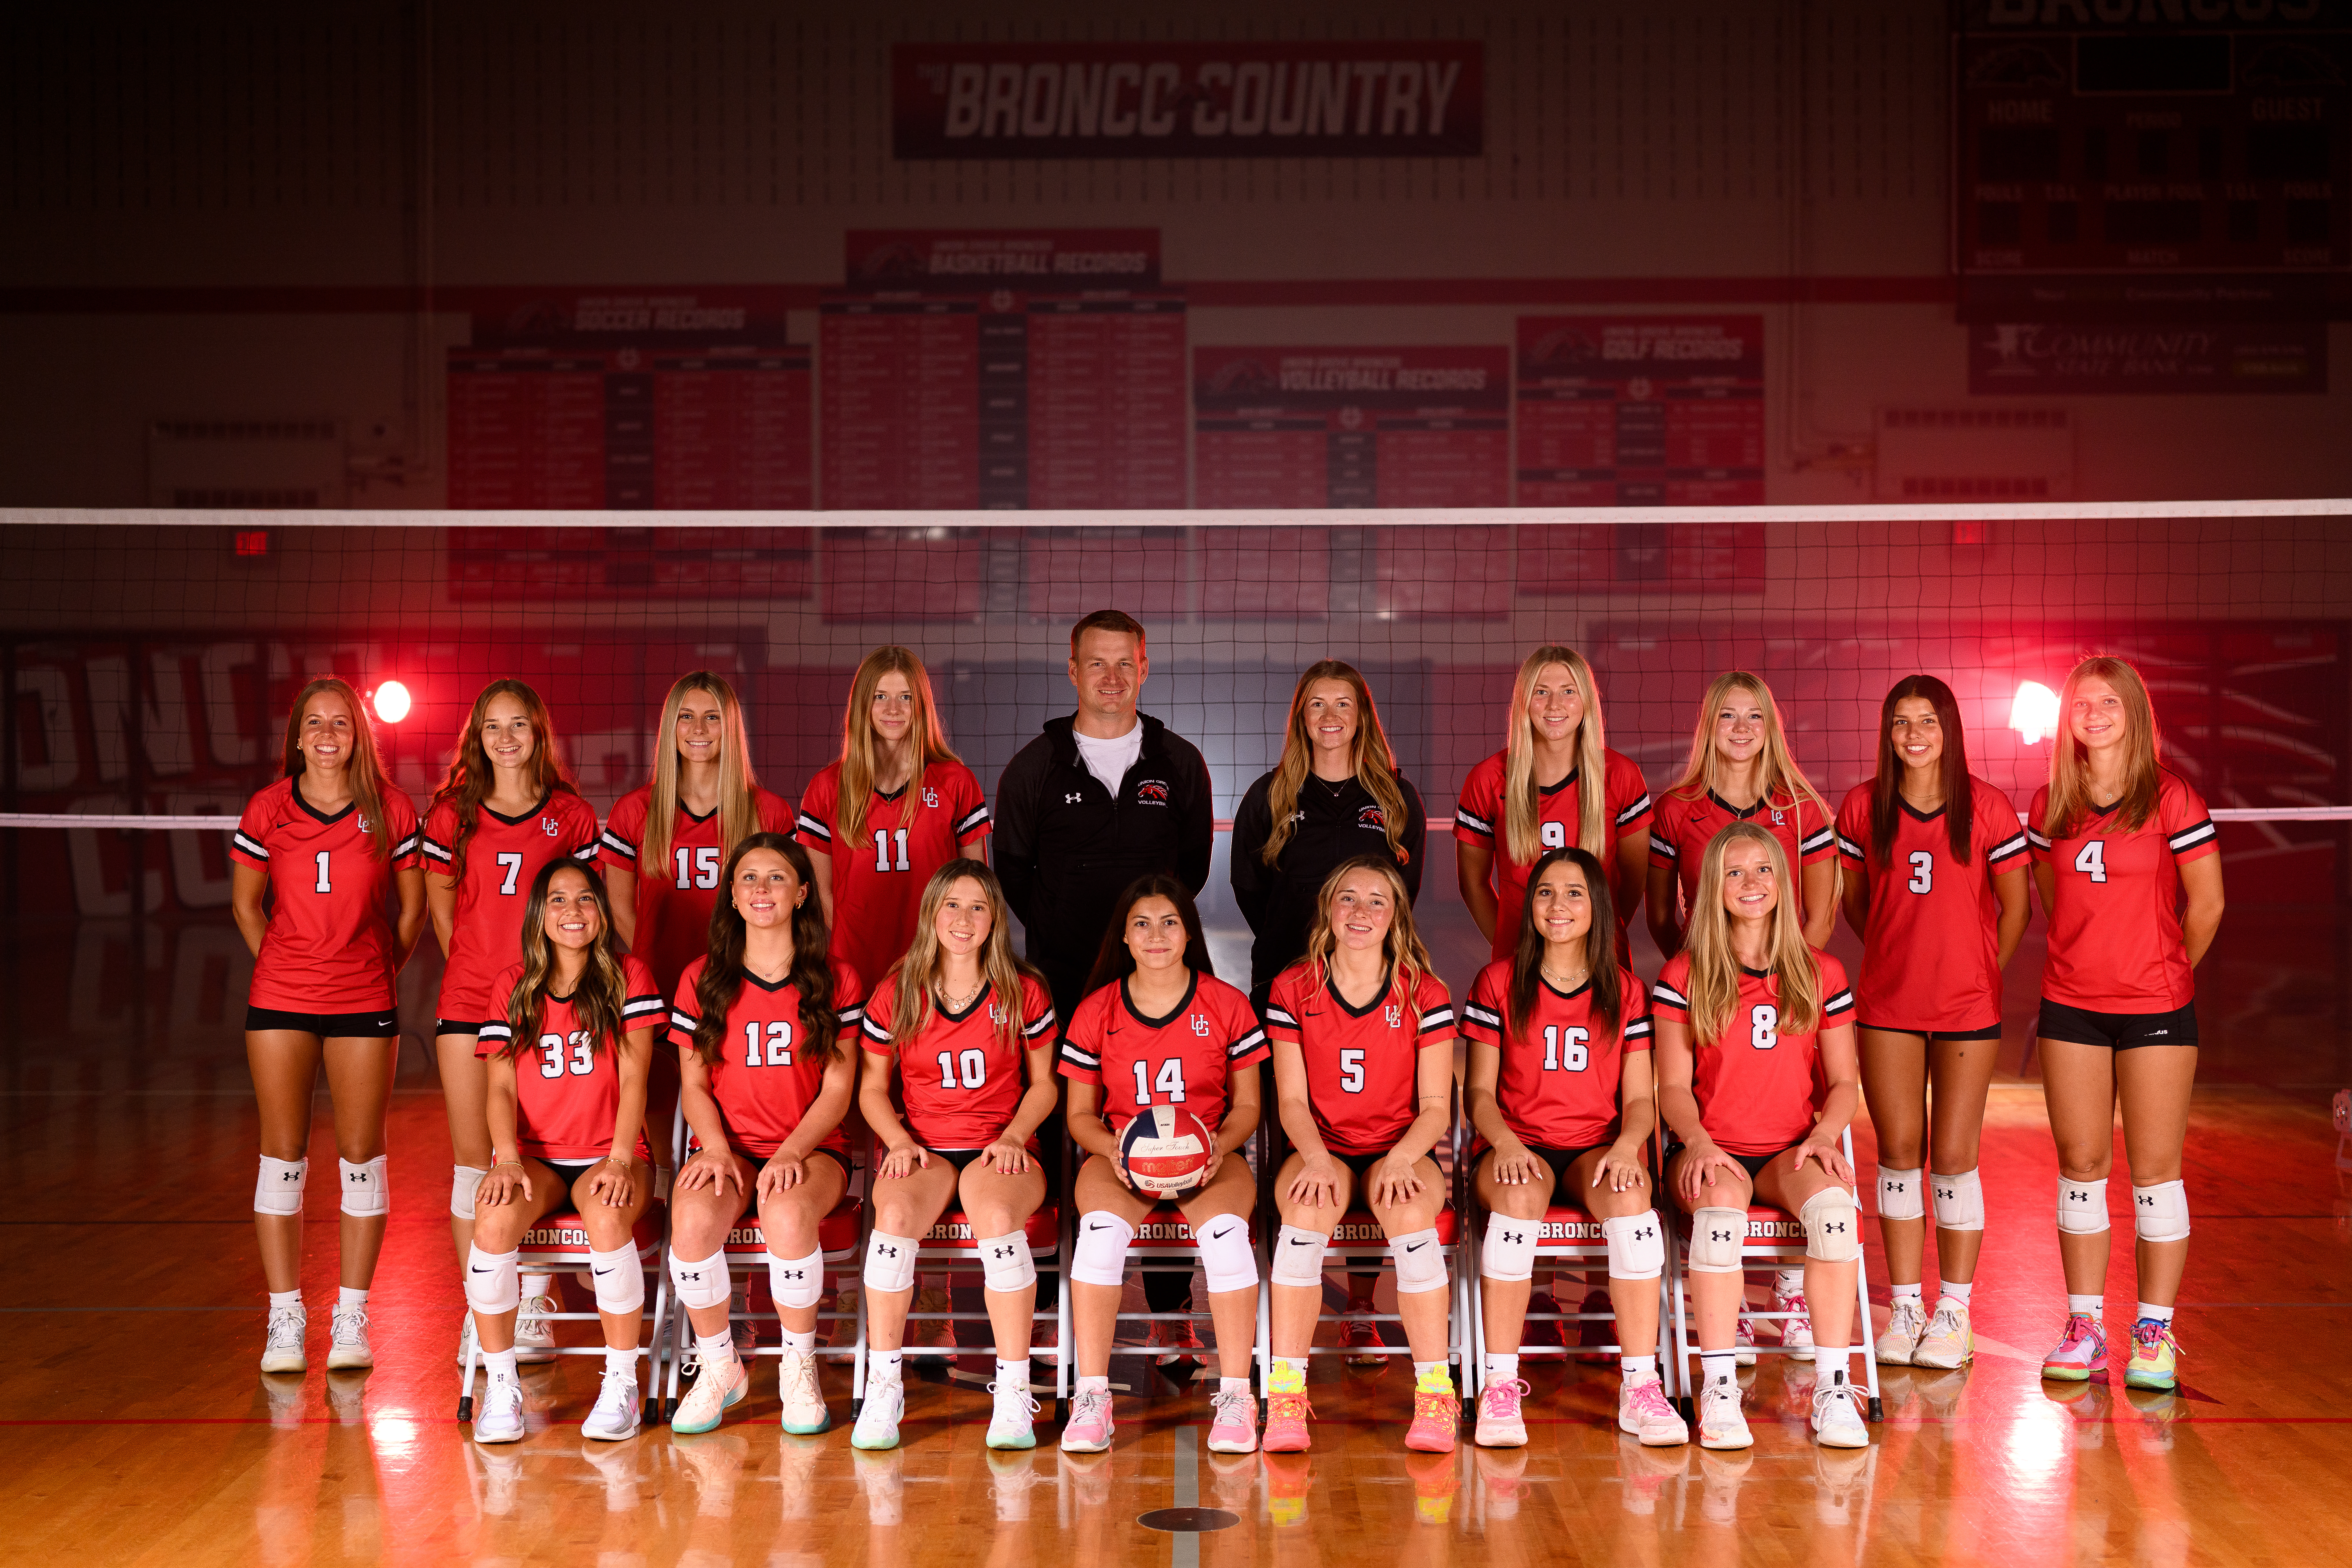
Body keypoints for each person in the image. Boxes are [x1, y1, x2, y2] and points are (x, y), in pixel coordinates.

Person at [995, 610, 1213, 1347]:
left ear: (1145, 668)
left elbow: (1193, 873)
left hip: (1164, 976)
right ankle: (1058, 1305)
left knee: (1172, 1115)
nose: (1112, 678)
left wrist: (1149, 947)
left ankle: (1170, 1310)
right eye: (1098, 664)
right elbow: (1013, 873)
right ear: (1072, 669)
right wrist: (1066, 938)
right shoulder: (1035, 767)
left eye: (1126, 664)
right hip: (1064, 978)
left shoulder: (1178, 762)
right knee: (1069, 1125)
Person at [2026, 656, 2222, 1393]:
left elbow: (2206, 906)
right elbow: (2056, 899)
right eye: (2083, 703)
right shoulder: (2053, 800)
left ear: (2134, 713)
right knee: (2079, 1168)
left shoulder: (2171, 797)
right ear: (2067, 717)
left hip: (2156, 1009)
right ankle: (2083, 1327)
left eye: (2109, 702)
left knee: (2154, 1176)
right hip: (2071, 1006)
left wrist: (2163, 969)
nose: (2095, 713)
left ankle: (2154, 1331)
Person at [1229, 659, 1425, 1360]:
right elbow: (1252, 892)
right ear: (1300, 718)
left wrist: (1355, 960)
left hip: (1369, 996)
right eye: (1317, 705)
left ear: (1362, 717)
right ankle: (1281, 1302)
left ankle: (1366, 1303)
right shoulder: (1270, 796)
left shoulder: (1394, 798)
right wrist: (1302, 961)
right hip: (1288, 995)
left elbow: (1403, 892)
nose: (1330, 717)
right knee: (1295, 1139)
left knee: (1369, 1124)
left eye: (1343, 705)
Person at [1651, 823, 1868, 1451]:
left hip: (1788, 1149)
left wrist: (1826, 1134)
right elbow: (1671, 1088)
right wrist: (1695, 1142)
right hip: (1712, 1147)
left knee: (1834, 1215)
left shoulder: (1819, 972)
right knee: (1720, 1218)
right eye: (1735, 872)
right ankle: (1718, 1389)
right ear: (1711, 888)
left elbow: (1845, 1082)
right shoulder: (1686, 972)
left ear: (1785, 882)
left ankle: (1832, 1386)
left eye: (1764, 870)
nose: (1752, 884)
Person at [231, 675, 424, 1376]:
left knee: (361, 1158)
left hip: (363, 999)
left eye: (340, 724)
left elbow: (412, 913)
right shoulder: (269, 808)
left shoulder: (392, 809)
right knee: (280, 1157)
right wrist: (291, 968)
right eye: (314, 723)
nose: (326, 735)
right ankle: (285, 1317)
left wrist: (371, 970)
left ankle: (352, 1316)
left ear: (359, 735)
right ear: (297, 735)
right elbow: (248, 907)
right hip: (281, 1000)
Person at [1835, 675, 2030, 1370]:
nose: (1913, 735)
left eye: (1927, 722)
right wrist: (1899, 955)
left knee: (1952, 1157)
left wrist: (1978, 970)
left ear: (1950, 728)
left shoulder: (1989, 808)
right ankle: (1907, 1306)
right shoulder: (1863, 806)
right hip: (1887, 1006)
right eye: (1899, 723)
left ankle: (1954, 1311)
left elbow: (2016, 910)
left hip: (1966, 1009)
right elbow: (1857, 907)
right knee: (1897, 1154)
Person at [1462, 847, 1685, 1449]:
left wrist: (1629, 1147)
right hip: (1516, 1145)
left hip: (1594, 1148)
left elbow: (1641, 1100)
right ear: (1529, 904)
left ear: (1599, 908)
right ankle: (1500, 1386)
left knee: (1633, 1190)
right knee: (1518, 1194)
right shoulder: (1499, 981)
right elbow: (1478, 1092)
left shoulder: (1627, 992)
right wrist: (1506, 1141)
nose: (1557, 905)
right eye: (1544, 892)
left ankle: (1640, 1384)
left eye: (1574, 893)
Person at [1647, 670, 1836, 1360]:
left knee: (1793, 1116)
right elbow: (1661, 913)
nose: (1740, 728)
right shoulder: (1677, 809)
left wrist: (1775, 981)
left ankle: (1790, 1290)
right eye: (1726, 715)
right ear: (1708, 727)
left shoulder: (1801, 807)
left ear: (1770, 727)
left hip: (1781, 988)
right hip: (1710, 992)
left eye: (1753, 716)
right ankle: (1728, 1328)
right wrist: (1710, 982)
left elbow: (1816, 915)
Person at [422, 678, 602, 1369]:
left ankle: (533, 1303)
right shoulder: (450, 818)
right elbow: (445, 916)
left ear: (539, 735)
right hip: (473, 1006)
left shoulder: (572, 817)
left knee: (540, 1155)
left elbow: (585, 913)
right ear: (476, 738)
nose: (506, 738)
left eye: (519, 725)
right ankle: (484, 1310)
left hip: (554, 1010)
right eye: (492, 727)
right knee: (479, 1166)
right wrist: (489, 982)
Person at [850, 861, 1060, 1453]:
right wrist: (896, 1139)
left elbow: (1044, 1083)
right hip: (925, 1147)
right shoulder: (898, 991)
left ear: (995, 919)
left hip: (1001, 1145)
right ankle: (884, 1385)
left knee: (997, 1222)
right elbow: (870, 1088)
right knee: (890, 1224)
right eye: (952, 906)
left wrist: (1016, 1135)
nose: (964, 920)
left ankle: (1013, 1387)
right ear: (931, 915)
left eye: (978, 908)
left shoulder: (1023, 989)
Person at [1057, 875, 1269, 1456]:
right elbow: (1079, 1115)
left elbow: (1249, 1104)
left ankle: (1235, 1395)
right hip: (1120, 1155)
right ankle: (1092, 1396)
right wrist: (1114, 1152)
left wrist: (1220, 1146)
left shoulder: (1225, 1003)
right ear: (1124, 935)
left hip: (1209, 1156)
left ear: (1188, 933)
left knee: (1227, 1239)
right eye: (1142, 923)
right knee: (1098, 1238)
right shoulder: (1097, 1010)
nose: (1156, 934)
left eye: (1169, 922)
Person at [664, 834, 866, 1436]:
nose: (761, 889)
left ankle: (797, 1367)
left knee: (784, 1214)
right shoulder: (702, 979)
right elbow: (694, 1086)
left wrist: (792, 1152)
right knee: (694, 1221)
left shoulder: (836, 979)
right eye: (749, 878)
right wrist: (718, 1149)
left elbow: (837, 1092)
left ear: (803, 892)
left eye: (777, 878)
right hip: (728, 1146)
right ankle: (721, 1364)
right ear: (731, 893)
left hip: (811, 1151)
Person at [1260, 856, 1461, 1455]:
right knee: (1306, 1212)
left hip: (1397, 1145)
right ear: (1328, 909)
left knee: (1409, 1215)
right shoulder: (1292, 987)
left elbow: (1434, 1107)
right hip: (1321, 1144)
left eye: (1377, 901)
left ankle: (1435, 1393)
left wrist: (1401, 1161)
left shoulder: (1425, 991)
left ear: (1396, 916)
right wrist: (1318, 1159)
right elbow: (1291, 1099)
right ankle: (1286, 1394)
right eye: (1348, 898)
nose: (1361, 912)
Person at [465, 861, 667, 1443]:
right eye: (557, 899)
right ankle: (502, 1385)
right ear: (540, 915)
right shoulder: (513, 984)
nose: (572, 910)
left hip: (612, 1150)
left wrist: (623, 1158)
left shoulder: (629, 976)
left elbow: (636, 1079)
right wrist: (505, 1157)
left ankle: (622, 1381)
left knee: (605, 1216)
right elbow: (500, 1085)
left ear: (602, 913)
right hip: (537, 1157)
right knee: (495, 1219)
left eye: (585, 899)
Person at [598, 671, 795, 1184]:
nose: (699, 728)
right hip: (661, 988)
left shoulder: (767, 811)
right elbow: (623, 914)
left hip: (743, 989)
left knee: (733, 1131)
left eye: (713, 717)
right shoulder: (635, 810)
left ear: (731, 729)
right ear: (670, 728)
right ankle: (668, 1223)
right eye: (686, 716)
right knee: (660, 1129)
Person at [796, 645, 993, 988]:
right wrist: (854, 939)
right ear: (862, 705)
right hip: (856, 963)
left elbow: (978, 886)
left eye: (905, 696)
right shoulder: (827, 787)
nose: (893, 709)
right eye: (880, 696)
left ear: (921, 705)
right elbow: (821, 892)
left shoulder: (955, 782)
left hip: (936, 961)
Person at [1454, 645, 1651, 963]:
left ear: (1587, 701)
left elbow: (1632, 882)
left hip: (1601, 959)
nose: (1554, 705)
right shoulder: (1487, 779)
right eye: (1541, 692)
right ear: (1523, 703)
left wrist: (1596, 931)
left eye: (1568, 691)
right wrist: (1516, 946)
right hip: (1519, 960)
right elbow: (1472, 883)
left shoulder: (1620, 776)